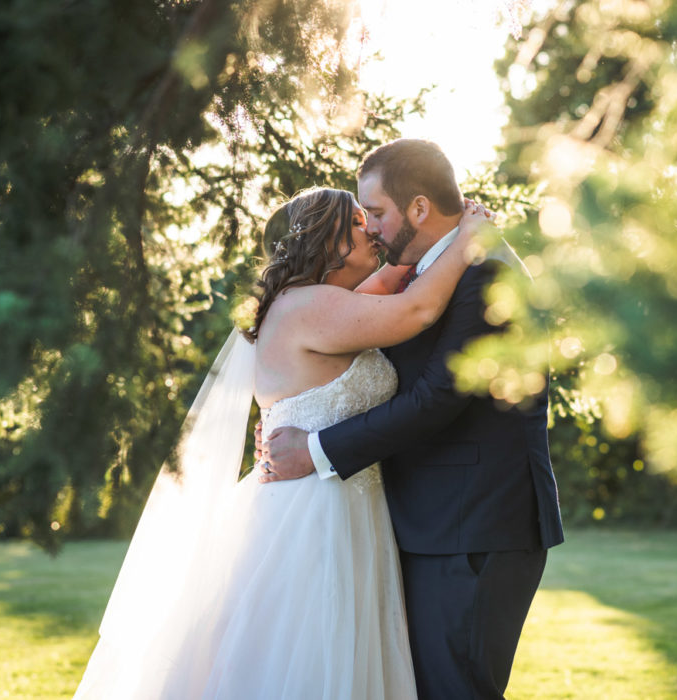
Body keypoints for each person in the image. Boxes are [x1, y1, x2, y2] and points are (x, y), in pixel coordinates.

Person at [74, 186, 491, 699]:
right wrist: (468, 238)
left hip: (342, 503)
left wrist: (437, 233)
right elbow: (417, 311)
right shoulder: (309, 306)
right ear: (324, 237)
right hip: (313, 515)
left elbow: (394, 279)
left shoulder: (321, 302)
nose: (370, 230)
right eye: (357, 222)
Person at [258, 139, 564, 700]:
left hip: (472, 526)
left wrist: (316, 448)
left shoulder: (484, 271)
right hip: (424, 523)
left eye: (375, 213)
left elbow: (438, 397)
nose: (370, 228)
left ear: (419, 208)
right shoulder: (423, 274)